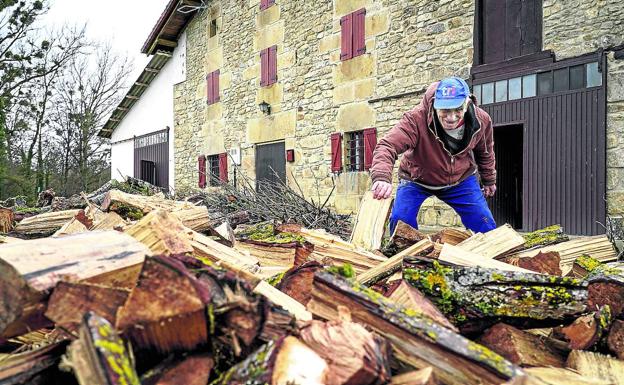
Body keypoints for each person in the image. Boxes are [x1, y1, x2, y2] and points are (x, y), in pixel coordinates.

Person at [370, 77, 497, 234]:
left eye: (457, 109)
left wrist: (489, 180)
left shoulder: (481, 120)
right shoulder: (416, 119)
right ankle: (405, 256)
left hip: (460, 180)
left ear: (467, 103)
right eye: (445, 110)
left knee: (485, 223)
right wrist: (382, 177)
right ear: (435, 104)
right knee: (400, 221)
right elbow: (387, 146)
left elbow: (485, 152)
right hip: (417, 180)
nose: (451, 117)